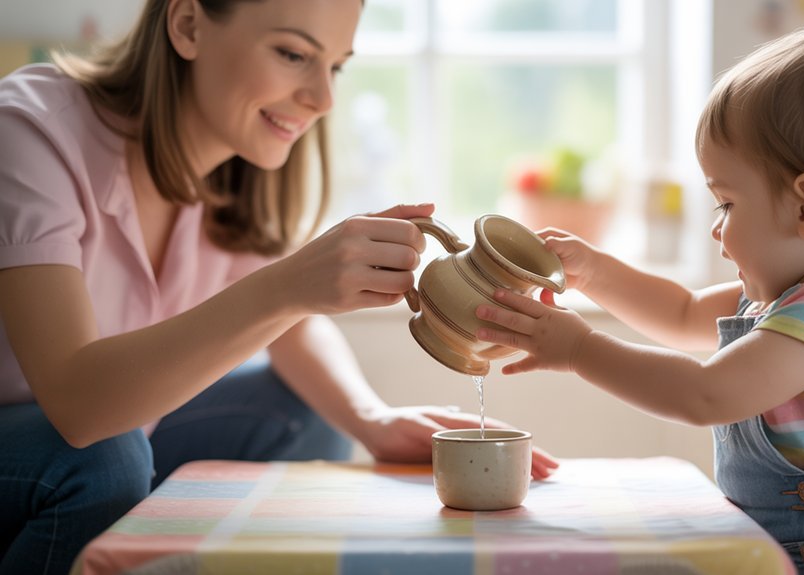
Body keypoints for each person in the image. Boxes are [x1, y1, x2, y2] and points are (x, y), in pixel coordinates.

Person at [0, 0, 557, 572]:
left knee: (306, 408)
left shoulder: (235, 167)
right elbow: (79, 406)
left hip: (115, 436)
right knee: (103, 457)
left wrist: (369, 417)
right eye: (294, 54)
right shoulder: (33, 132)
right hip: (47, 440)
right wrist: (286, 286)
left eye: (335, 66)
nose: (323, 98)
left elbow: (287, 336)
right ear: (187, 24)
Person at [474, 25, 804, 574]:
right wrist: (595, 271)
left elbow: (706, 394)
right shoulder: (790, 300)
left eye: (726, 204)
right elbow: (682, 312)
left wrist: (578, 349)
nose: (717, 230)